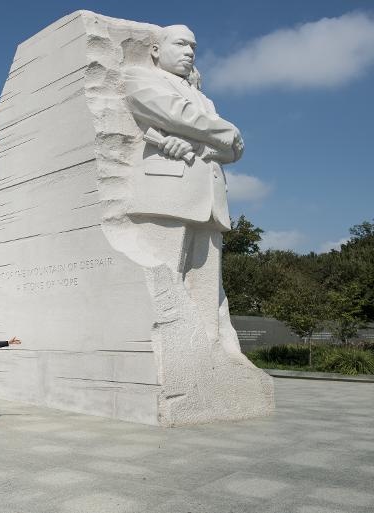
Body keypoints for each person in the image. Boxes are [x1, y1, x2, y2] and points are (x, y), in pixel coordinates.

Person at [123, 24, 244, 350]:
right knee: (165, 281)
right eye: (180, 44)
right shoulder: (141, 78)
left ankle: (208, 354)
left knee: (207, 291)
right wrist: (224, 132)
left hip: (211, 197)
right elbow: (176, 114)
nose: (190, 52)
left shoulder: (205, 99)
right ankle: (171, 353)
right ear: (156, 50)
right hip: (168, 193)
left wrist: (204, 145)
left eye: (193, 46)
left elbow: (235, 148)